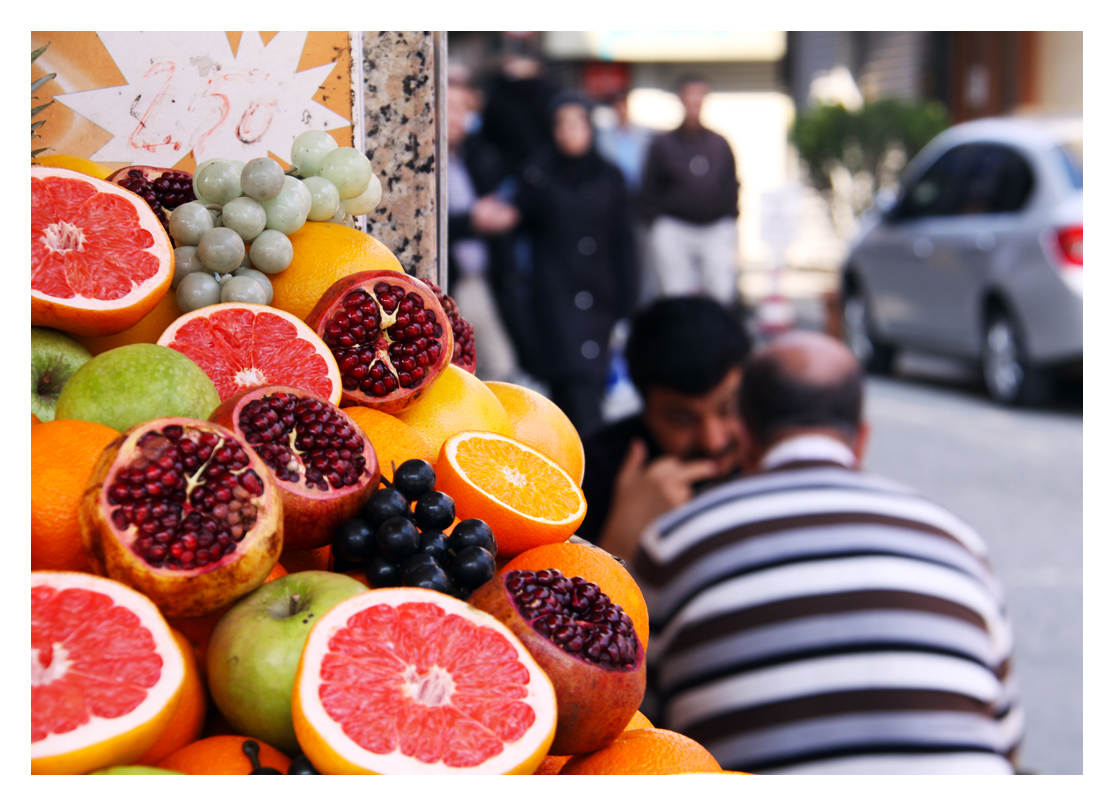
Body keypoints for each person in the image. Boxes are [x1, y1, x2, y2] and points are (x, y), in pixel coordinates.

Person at [628, 330, 1023, 774]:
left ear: (745, 439)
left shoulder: (673, 544)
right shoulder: (960, 544)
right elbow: (1006, 745)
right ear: (861, 439)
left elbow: (638, 733)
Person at [581, 296, 751, 553]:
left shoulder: (780, 450)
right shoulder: (590, 471)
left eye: (729, 409)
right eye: (682, 419)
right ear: (645, 409)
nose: (713, 440)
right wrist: (623, 534)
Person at [513, 91, 639, 437]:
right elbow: (512, 225)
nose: (570, 132)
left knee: (592, 380)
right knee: (569, 379)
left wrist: (629, 303)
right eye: (562, 124)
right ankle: (588, 465)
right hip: (555, 294)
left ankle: (583, 466)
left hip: (600, 295)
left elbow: (625, 242)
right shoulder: (538, 173)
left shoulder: (610, 176)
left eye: (577, 123)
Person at [639, 75, 742, 308]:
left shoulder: (719, 143)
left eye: (699, 95)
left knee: (721, 293)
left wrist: (731, 222)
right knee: (676, 295)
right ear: (681, 99)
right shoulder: (663, 144)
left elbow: (731, 183)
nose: (694, 101)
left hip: (714, 228)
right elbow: (649, 186)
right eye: (689, 95)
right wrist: (654, 221)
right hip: (674, 228)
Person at [445, 76, 520, 382]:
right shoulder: (419, 164)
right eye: (450, 106)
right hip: (449, 281)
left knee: (500, 369)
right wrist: (473, 220)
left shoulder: (473, 157)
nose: (457, 117)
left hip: (481, 279)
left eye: (464, 108)